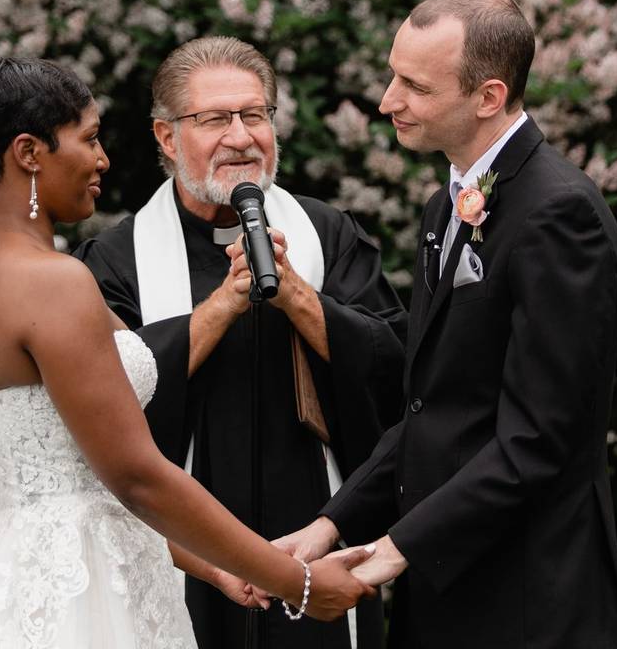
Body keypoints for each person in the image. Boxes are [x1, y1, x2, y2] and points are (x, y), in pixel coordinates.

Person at [0, 57, 376, 649]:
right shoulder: (53, 283)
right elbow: (134, 475)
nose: (103, 159)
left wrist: (214, 567)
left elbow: (92, 475)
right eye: (89, 138)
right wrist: (298, 583)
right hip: (79, 587)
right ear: (29, 153)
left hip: (15, 560)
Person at [275, 0, 617, 648]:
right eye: (394, 76)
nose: (388, 100)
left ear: (488, 97)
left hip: (529, 602)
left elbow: (537, 439)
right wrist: (333, 522)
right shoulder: (448, 207)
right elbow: (433, 410)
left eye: (414, 85)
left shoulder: (561, 216)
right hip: (443, 592)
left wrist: (394, 550)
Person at [77, 37, 408, 648]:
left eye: (254, 115)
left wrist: (298, 298)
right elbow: (106, 400)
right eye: (214, 119)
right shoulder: (116, 261)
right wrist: (224, 304)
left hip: (315, 540)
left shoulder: (326, 234)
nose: (240, 136)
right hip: (184, 554)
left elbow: (397, 374)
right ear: (167, 137)